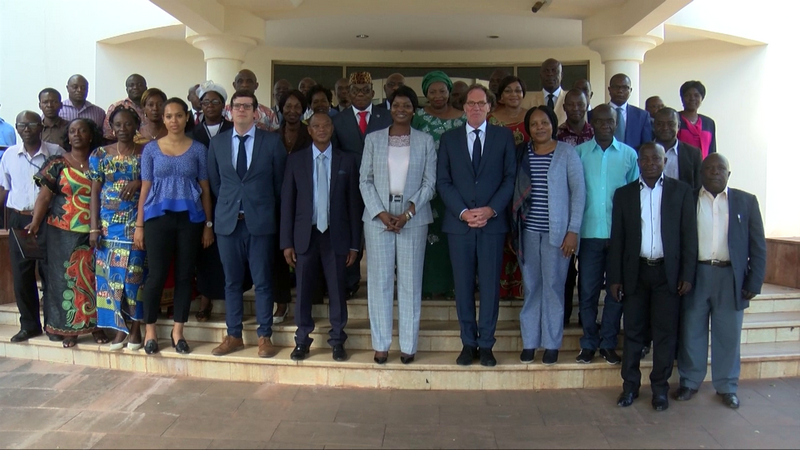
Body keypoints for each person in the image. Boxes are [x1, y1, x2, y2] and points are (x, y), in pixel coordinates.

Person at [608, 142, 697, 411]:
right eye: (645, 159)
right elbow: (618, 239)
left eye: (655, 158)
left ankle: (660, 389)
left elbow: (688, 237)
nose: (650, 163)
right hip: (636, 272)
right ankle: (630, 387)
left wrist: (687, 274)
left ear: (664, 161)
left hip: (667, 274)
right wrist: (615, 278)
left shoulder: (681, 192)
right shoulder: (623, 195)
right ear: (639, 163)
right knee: (633, 332)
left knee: (664, 334)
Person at [676, 153, 766, 409]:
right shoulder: (688, 198)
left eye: (720, 168)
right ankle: (690, 381)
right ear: (701, 173)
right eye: (709, 168)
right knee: (692, 329)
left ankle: (727, 385)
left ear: (729, 174)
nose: (715, 172)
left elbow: (758, 245)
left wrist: (754, 281)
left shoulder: (746, 202)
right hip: (696, 275)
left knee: (728, 333)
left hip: (731, 277)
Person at [437, 84, 516, 367]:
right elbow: (443, 181)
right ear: (464, 107)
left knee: (491, 287)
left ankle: (487, 345)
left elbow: (510, 179)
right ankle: (468, 343)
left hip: (492, 225)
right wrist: (462, 212)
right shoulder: (449, 139)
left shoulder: (503, 137)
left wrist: (491, 210)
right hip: (460, 226)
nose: (475, 108)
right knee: (464, 285)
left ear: (489, 107)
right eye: (471, 103)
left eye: (481, 103)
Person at [207, 90, 287, 357]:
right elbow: (216, 184)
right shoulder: (217, 144)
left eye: (247, 106)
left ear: (256, 112)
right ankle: (234, 335)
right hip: (228, 223)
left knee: (263, 282)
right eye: (237, 106)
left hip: (260, 223)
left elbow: (279, 186)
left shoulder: (272, 142)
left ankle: (264, 336)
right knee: (231, 282)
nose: (241, 110)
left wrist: (259, 206)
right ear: (230, 111)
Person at [361, 86, 436, 365]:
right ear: (389, 108)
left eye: (406, 105)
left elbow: (430, 182)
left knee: (410, 283)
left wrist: (407, 214)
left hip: (413, 220)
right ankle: (380, 344)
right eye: (396, 105)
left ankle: (408, 345)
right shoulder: (374, 139)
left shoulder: (425, 141)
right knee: (379, 283)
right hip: (378, 218)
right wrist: (381, 213)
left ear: (414, 110)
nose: (401, 109)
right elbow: (364, 180)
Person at [134, 98, 214, 355]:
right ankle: (150, 331)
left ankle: (178, 331)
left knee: (183, 275)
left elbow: (205, 189)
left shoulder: (199, 149)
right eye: (169, 116)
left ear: (186, 118)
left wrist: (208, 225)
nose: (173, 121)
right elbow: (145, 188)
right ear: (163, 119)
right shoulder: (151, 150)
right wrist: (139, 226)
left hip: (190, 220)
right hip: (157, 218)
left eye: (179, 116)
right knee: (156, 275)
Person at [281, 113, 363, 362]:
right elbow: (287, 203)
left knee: (337, 290)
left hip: (336, 237)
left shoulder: (346, 161)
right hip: (306, 236)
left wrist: (354, 244)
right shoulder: (296, 161)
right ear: (309, 130)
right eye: (316, 126)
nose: (321, 129)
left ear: (332, 128)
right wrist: (287, 242)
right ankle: (302, 340)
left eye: (326, 125)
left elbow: (354, 205)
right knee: (304, 290)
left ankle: (337, 340)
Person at [511, 106, 585, 365]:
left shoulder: (567, 153)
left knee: (554, 287)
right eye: (534, 124)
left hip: (558, 235)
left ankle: (552, 343)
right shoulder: (522, 154)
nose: (539, 127)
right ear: (528, 128)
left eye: (544, 122)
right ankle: (530, 341)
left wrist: (573, 231)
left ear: (553, 124)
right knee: (532, 287)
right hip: (528, 231)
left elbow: (578, 194)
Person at [26, 118, 107, 347]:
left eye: (82, 130)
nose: (77, 134)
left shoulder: (100, 161)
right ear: (67, 136)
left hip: (97, 229)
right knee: (66, 280)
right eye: (72, 131)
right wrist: (34, 222)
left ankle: (98, 328)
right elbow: (44, 196)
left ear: (91, 135)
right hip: (62, 232)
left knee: (95, 279)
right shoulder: (57, 163)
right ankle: (69, 330)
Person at [574, 104, 639, 365]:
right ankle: (589, 342)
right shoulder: (578, 154)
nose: (605, 126)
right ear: (592, 123)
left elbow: (635, 197)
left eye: (609, 121)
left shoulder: (629, 155)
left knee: (616, 292)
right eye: (599, 121)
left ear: (616, 123)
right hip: (589, 234)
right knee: (587, 291)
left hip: (619, 237)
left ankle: (609, 342)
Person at [0, 111, 64, 342]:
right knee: (22, 274)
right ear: (16, 128)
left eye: (32, 124)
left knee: (51, 273)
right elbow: (4, 188)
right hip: (18, 218)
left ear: (41, 127)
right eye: (22, 125)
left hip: (49, 220)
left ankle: (54, 326)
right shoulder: (8, 155)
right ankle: (29, 325)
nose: (27, 128)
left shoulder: (56, 153)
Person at [88, 106, 146, 350]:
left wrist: (139, 180)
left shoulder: (146, 152)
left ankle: (135, 330)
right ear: (111, 127)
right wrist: (93, 228)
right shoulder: (100, 154)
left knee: (134, 279)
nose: (123, 129)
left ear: (136, 126)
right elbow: (94, 191)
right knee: (109, 281)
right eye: (118, 125)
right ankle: (119, 330)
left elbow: (155, 182)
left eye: (128, 124)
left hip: (136, 223)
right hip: (107, 225)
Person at [331, 71, 392, 298]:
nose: (360, 94)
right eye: (355, 90)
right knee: (351, 233)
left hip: (382, 184)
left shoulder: (386, 116)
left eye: (365, 90)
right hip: (349, 185)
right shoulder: (338, 120)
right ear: (348, 93)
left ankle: (383, 281)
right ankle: (350, 281)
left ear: (373, 93)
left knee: (381, 231)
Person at [411, 71, 466, 300]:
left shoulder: (463, 118)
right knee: (426, 237)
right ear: (425, 93)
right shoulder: (418, 118)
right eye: (432, 91)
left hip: (455, 188)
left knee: (452, 237)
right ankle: (426, 286)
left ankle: (452, 285)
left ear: (449, 91)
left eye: (442, 90)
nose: (437, 96)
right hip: (425, 188)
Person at [188, 80, 234, 321]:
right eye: (205, 102)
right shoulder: (191, 134)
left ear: (223, 105)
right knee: (205, 253)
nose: (210, 106)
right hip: (199, 202)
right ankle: (205, 300)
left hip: (229, 200)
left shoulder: (234, 130)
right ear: (200, 106)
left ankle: (231, 301)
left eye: (215, 101)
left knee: (228, 253)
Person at [488, 75, 530, 300]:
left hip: (525, 186)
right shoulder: (490, 119)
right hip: (498, 185)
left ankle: (523, 289)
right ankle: (503, 288)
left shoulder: (533, 118)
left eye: (518, 90)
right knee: (502, 234)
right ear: (501, 95)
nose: (514, 95)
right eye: (509, 91)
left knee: (522, 233)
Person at [556, 88, 594, 328]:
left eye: (580, 104)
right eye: (571, 105)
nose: (576, 109)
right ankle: (564, 315)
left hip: (593, 212)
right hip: (564, 210)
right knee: (566, 270)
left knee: (589, 272)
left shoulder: (597, 131)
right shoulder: (557, 135)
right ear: (565, 107)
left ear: (587, 104)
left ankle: (586, 317)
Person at [591, 73, 652, 150]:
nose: (620, 91)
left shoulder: (642, 116)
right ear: (609, 90)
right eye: (616, 87)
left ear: (630, 90)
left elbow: (646, 145)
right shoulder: (595, 113)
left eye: (625, 88)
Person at [654, 107, 702, 189]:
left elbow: (697, 187)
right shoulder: (641, 152)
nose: (665, 128)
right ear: (653, 125)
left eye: (671, 124)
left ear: (678, 126)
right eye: (660, 124)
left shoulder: (693, 154)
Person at [678, 80, 717, 159]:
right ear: (682, 98)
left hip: (703, 169)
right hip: (680, 168)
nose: (692, 98)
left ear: (701, 98)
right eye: (687, 95)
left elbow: (712, 151)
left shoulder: (709, 123)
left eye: (696, 95)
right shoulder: (675, 119)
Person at [521, 59, 566, 125]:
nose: (550, 74)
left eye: (554, 70)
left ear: (561, 75)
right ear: (540, 75)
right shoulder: (527, 101)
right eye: (546, 71)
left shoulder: (570, 100)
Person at [104, 73, 147, 140]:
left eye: (139, 84)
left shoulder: (152, 106)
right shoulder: (116, 107)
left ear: (146, 88)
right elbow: (108, 135)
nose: (135, 87)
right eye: (131, 85)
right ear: (127, 89)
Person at [280, 90, 312, 154]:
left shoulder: (310, 134)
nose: (292, 111)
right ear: (282, 108)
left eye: (297, 107)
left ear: (302, 109)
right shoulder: (274, 135)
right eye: (288, 106)